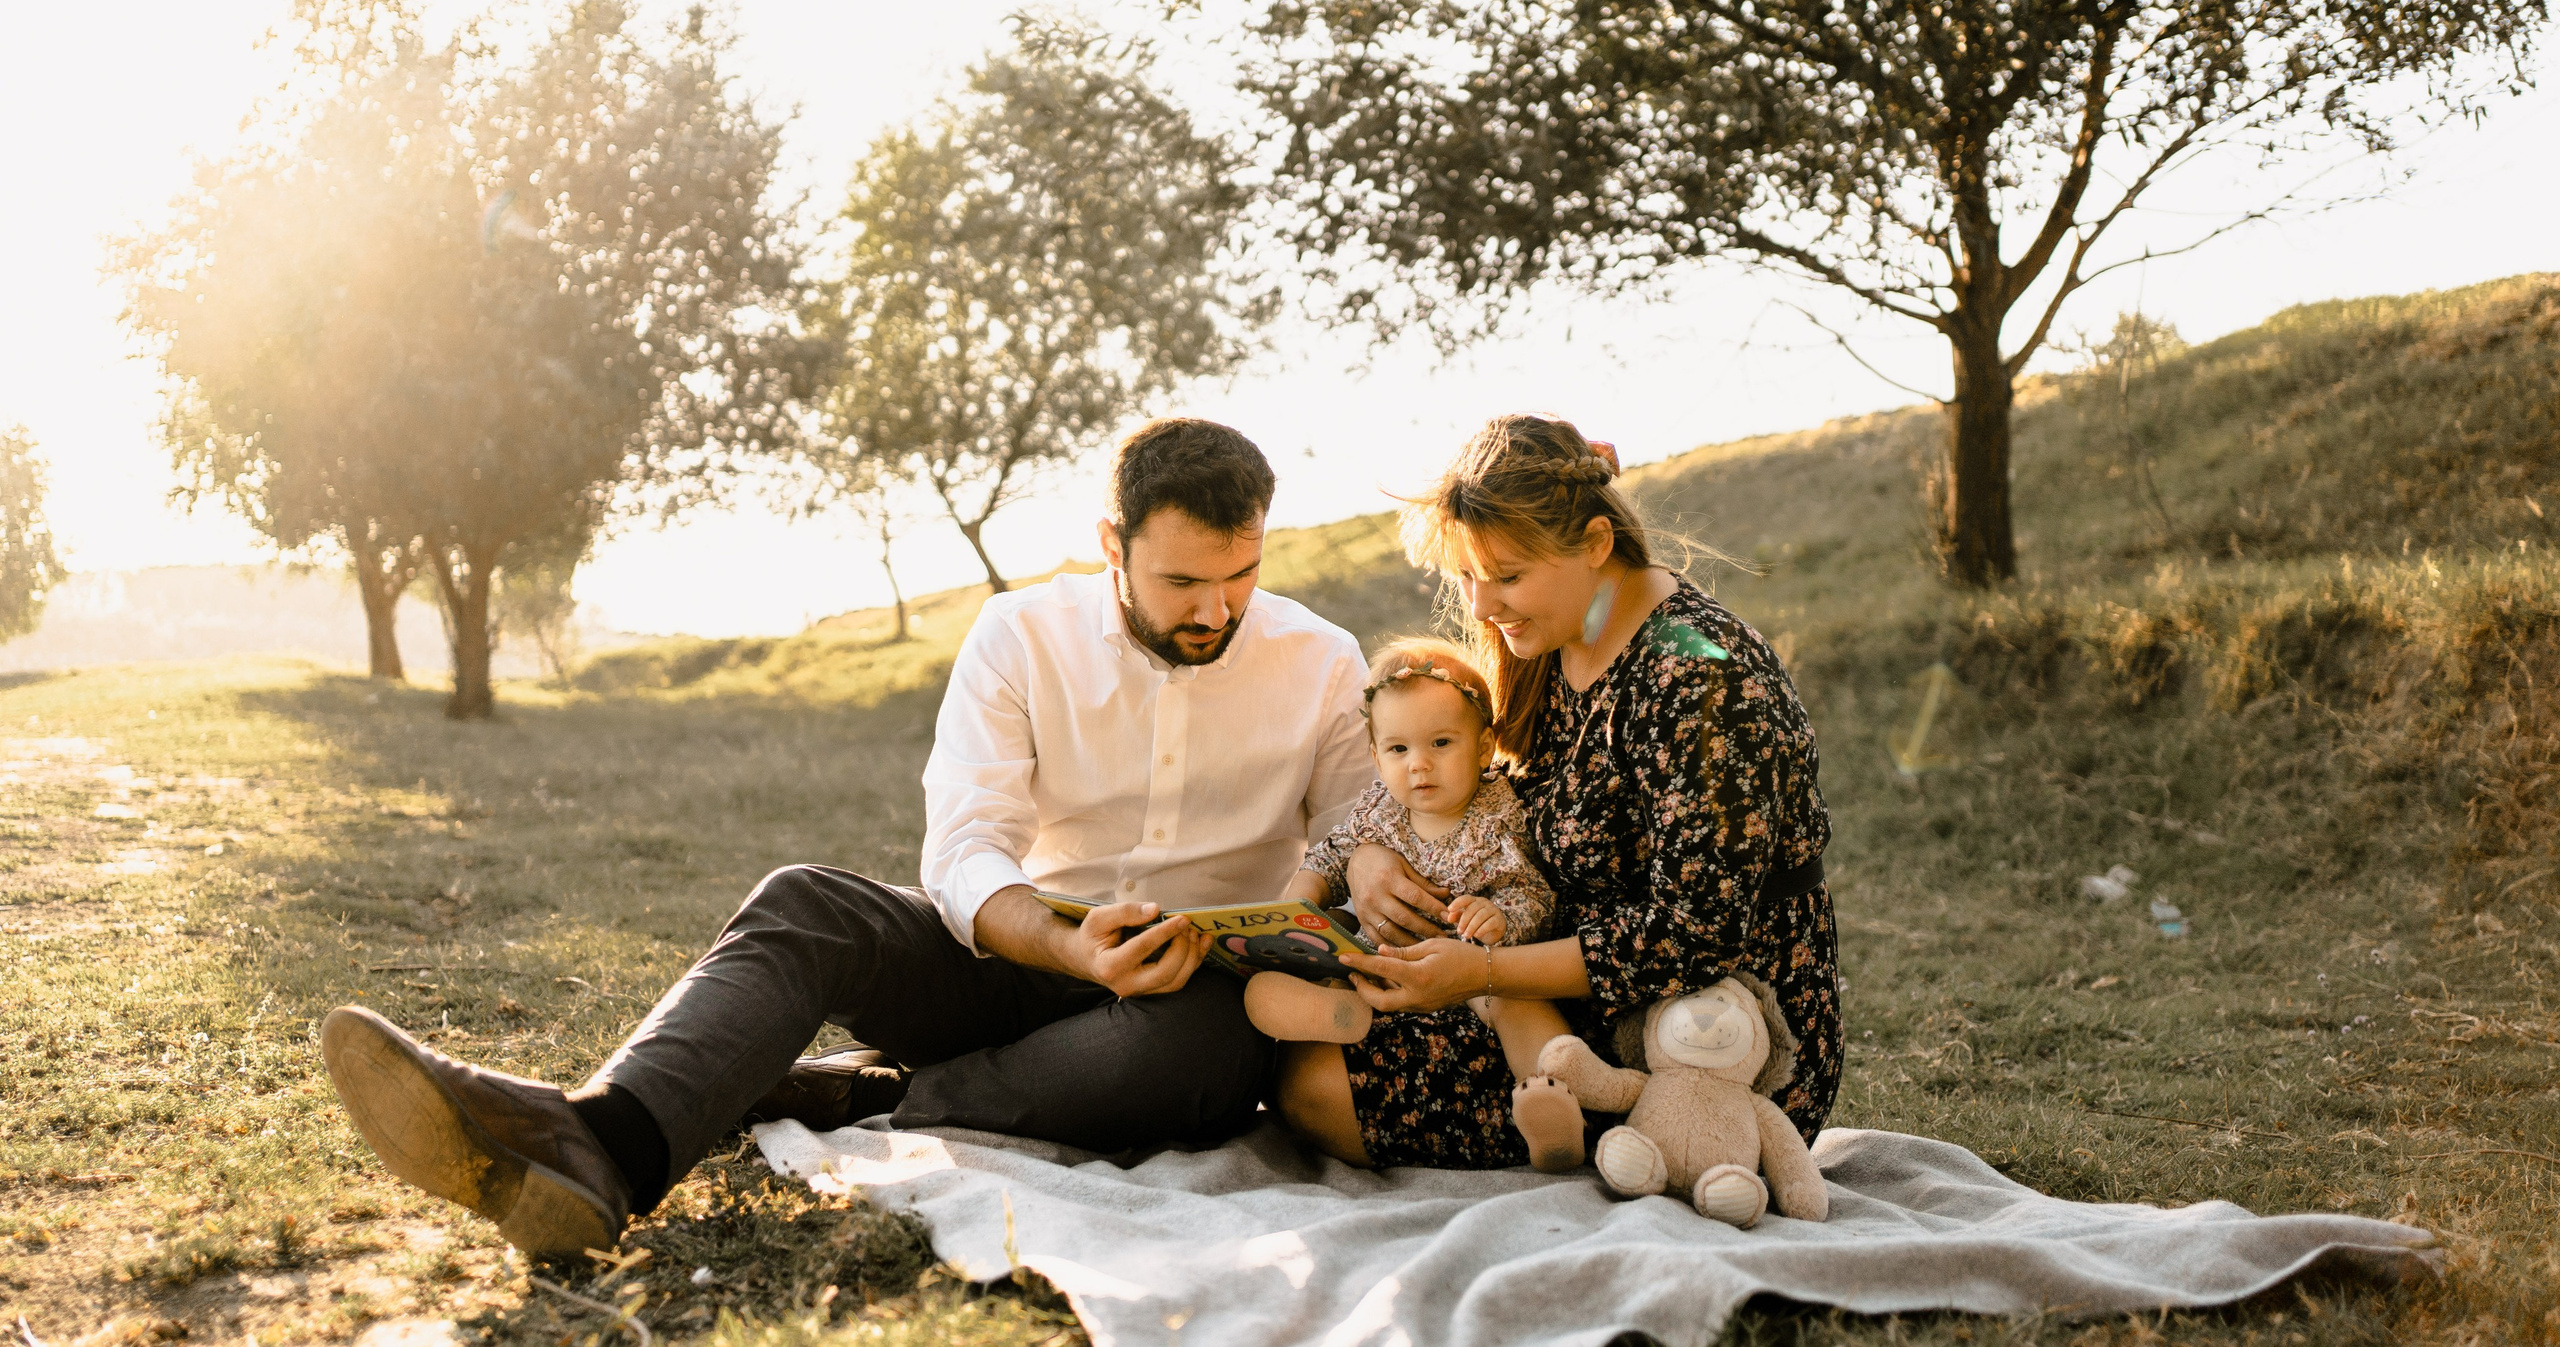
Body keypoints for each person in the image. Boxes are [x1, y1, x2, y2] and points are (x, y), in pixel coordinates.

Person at [318, 419, 1372, 1254]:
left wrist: (1344, 897)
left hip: (1179, 1008)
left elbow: (1357, 840)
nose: (1216, 609)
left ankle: (860, 1093)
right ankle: (605, 1143)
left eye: (1240, 575)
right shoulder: (1020, 634)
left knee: (1219, 1044)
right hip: (1023, 960)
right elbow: (966, 847)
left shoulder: (1321, 662)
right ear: (1111, 547)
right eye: (1182, 582)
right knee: (806, 902)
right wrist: (1065, 945)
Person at [1270, 414, 1841, 1171]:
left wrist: (1483, 972)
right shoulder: (1558, 634)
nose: (1479, 606)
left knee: (1319, 1088)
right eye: (1467, 575)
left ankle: (1630, 1139)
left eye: (1506, 576)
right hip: (1545, 979)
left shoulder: (1702, 676)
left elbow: (1692, 934)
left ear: (1597, 544)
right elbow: (1485, 795)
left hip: (1704, 1031)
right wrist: (1373, 856)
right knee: (1301, 1054)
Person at [1242, 637, 1587, 1172]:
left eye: (1441, 743)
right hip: (1381, 959)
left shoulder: (1499, 813)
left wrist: (1500, 919)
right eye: (1399, 750)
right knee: (1338, 958)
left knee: (1515, 1002)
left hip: (1472, 969)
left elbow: (1533, 892)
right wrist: (1299, 905)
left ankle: (1553, 1101)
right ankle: (1331, 1009)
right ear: (1376, 755)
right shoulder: (1379, 808)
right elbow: (1331, 856)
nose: (1419, 765)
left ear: (1483, 747)